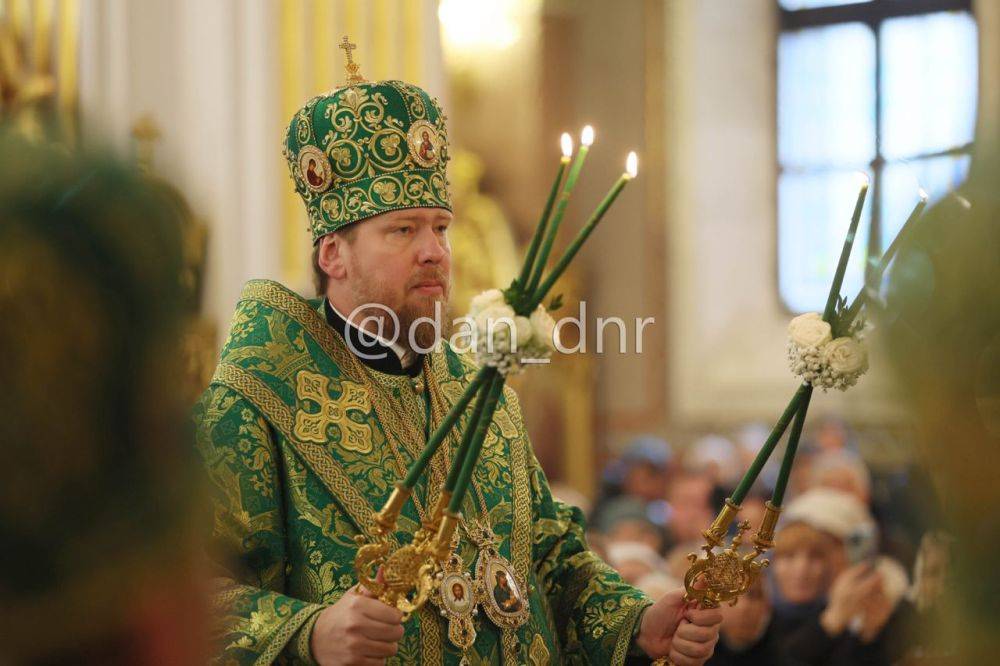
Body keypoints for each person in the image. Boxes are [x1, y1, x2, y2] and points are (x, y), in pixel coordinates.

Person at [195, 52, 723, 664]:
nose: (436, 253)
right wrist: (310, 633)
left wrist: (635, 620)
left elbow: (549, 559)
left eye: (441, 228)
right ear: (333, 255)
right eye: (403, 230)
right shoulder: (256, 399)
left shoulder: (479, 389)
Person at [769, 488, 915, 665]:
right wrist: (830, 622)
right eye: (789, 555)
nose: (801, 568)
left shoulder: (886, 599)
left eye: (817, 554)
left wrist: (868, 635)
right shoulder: (758, 603)